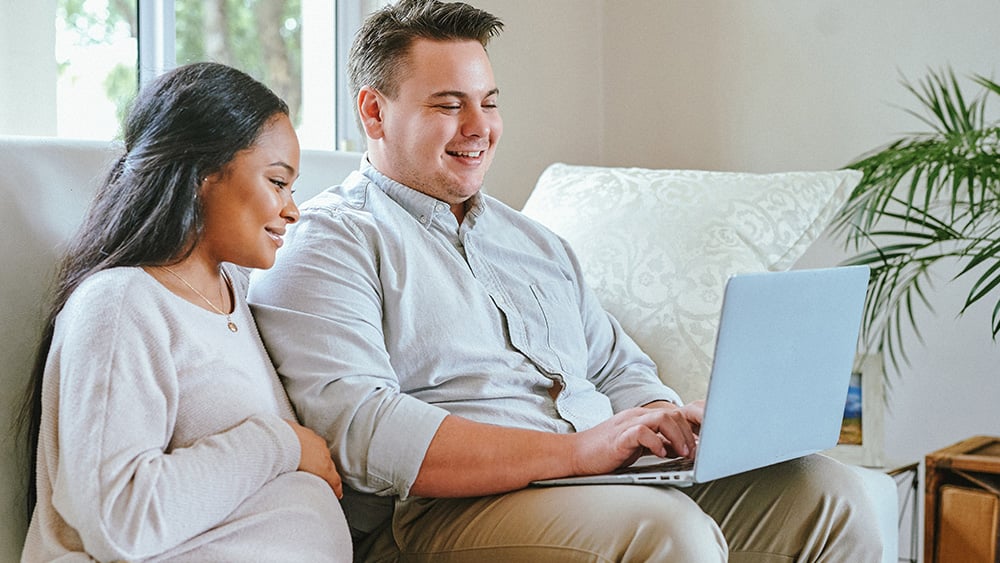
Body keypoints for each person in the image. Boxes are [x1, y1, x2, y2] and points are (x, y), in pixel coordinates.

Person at [247, 1, 883, 561]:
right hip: (438, 515)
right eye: (449, 105)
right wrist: (579, 453)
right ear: (374, 112)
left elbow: (615, 369)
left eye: (489, 103)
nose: (479, 128)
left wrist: (665, 420)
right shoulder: (330, 241)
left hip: (595, 484)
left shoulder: (535, 244)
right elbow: (363, 432)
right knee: (667, 533)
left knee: (829, 495)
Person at [20, 62, 352, 562]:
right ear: (202, 174)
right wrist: (280, 444)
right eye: (277, 182)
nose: (292, 209)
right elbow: (120, 518)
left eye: (293, 189)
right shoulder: (121, 304)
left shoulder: (237, 293)